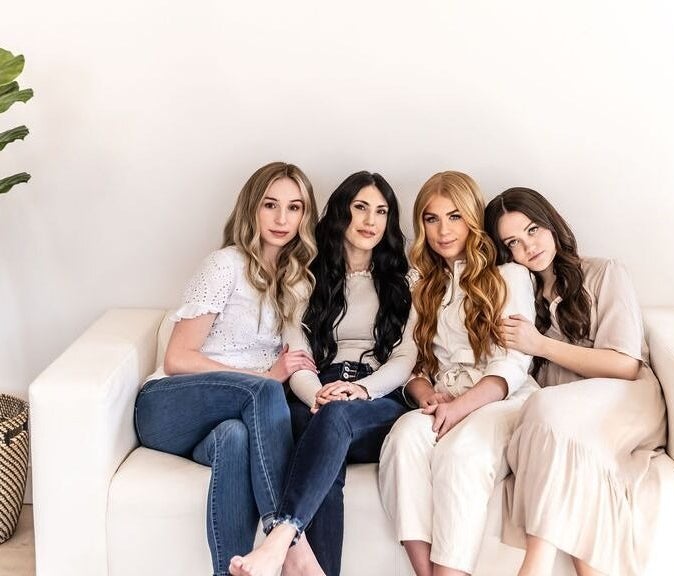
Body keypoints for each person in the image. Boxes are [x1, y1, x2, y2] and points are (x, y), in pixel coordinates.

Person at [134, 162, 320, 576]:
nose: (282, 218)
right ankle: (288, 543)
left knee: (235, 440)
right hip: (168, 407)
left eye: (294, 208)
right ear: (252, 208)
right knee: (268, 392)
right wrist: (266, 378)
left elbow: (298, 353)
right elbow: (177, 358)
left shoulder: (297, 281)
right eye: (270, 205)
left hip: (227, 420)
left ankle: (235, 571)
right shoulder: (225, 265)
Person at [229, 171, 416, 576]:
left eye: (381, 212)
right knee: (315, 452)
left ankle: (280, 540)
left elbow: (404, 359)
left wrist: (359, 391)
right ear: (340, 213)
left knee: (332, 421)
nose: (371, 220)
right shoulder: (304, 278)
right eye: (361, 207)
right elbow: (296, 352)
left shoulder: (405, 281)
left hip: (378, 398)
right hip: (318, 389)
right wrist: (317, 393)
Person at [484, 187, 667, 576]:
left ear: (551, 223)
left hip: (624, 401)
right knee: (559, 438)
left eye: (533, 230)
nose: (528, 247)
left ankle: (534, 566)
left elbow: (626, 366)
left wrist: (540, 344)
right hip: (565, 423)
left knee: (547, 410)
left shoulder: (604, 272)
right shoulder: (521, 292)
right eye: (513, 242)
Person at [378, 171, 536, 576]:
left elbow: (513, 363)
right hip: (445, 398)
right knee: (403, 438)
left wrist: (462, 407)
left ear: (472, 220)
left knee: (459, 455)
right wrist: (424, 395)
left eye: (455, 217)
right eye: (431, 219)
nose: (443, 230)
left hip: (500, 400)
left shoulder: (509, 275)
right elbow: (411, 359)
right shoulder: (424, 284)